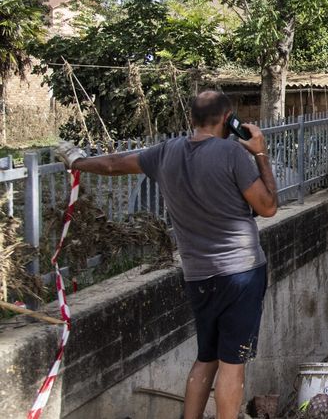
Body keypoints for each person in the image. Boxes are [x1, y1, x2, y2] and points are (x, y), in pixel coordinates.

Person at [56, 90, 278, 419]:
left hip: (198, 275)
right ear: (226, 119)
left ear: (192, 119)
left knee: (207, 356)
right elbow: (269, 207)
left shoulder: (165, 153)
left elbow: (114, 164)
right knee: (232, 364)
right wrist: (260, 154)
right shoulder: (232, 153)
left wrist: (76, 160)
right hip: (241, 274)